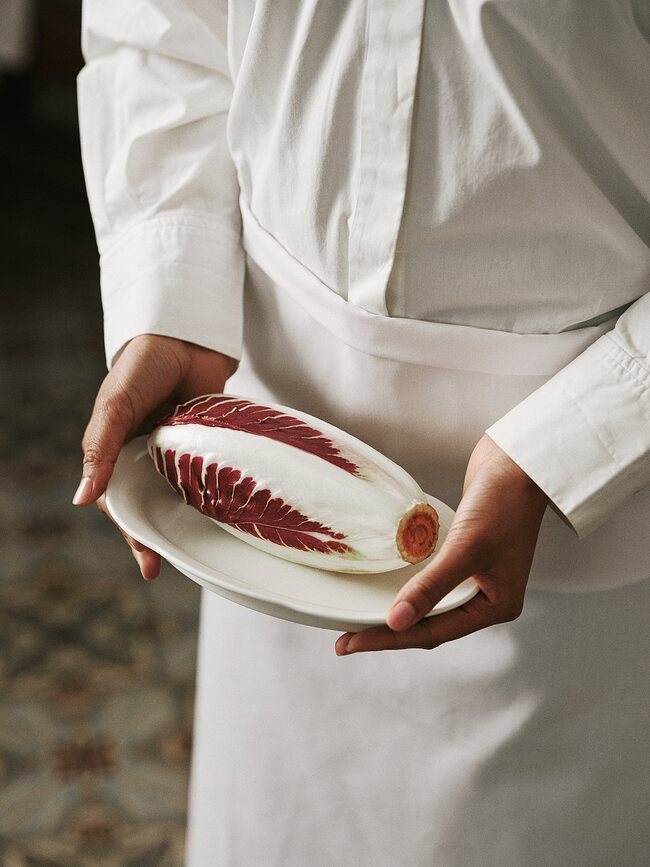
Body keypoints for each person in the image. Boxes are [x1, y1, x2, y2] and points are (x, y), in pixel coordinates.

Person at [73, 2, 650, 864]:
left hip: (591, 515)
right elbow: (162, 27)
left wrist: (587, 434)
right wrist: (170, 301)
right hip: (269, 483)